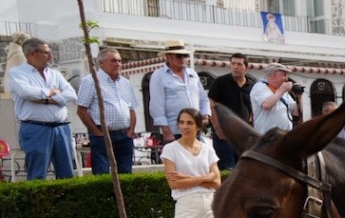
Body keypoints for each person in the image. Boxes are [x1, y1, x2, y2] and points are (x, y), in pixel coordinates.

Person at [8, 38, 78, 180]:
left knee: (66, 172)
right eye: (47, 53)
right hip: (36, 128)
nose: (51, 56)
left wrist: (45, 100)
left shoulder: (55, 74)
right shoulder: (17, 73)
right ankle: (37, 202)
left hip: (62, 127)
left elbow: (71, 95)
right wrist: (52, 92)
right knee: (37, 173)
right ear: (33, 54)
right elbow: (26, 92)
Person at [77, 47, 138, 175]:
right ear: (101, 63)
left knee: (126, 172)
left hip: (124, 134)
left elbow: (131, 109)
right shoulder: (91, 81)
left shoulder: (125, 83)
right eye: (113, 61)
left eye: (120, 61)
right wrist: (95, 131)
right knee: (102, 172)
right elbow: (81, 110)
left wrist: (131, 130)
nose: (118, 64)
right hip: (103, 134)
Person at [149, 40, 210, 144]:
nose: (183, 59)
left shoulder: (192, 74)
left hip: (195, 129)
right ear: (168, 57)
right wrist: (166, 131)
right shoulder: (158, 76)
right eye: (179, 55)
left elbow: (203, 97)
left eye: (185, 55)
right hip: (174, 131)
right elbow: (156, 105)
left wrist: (205, 115)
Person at [207, 53, 254, 170]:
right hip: (224, 135)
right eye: (233, 64)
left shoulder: (252, 85)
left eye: (239, 64)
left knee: (242, 170)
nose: (235, 67)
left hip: (243, 137)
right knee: (226, 170)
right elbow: (212, 105)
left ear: (246, 68)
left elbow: (253, 109)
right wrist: (218, 129)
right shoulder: (220, 82)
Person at [249, 63, 298, 134]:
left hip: (285, 136)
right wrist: (282, 90)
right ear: (274, 75)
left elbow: (295, 112)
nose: (286, 79)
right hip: (268, 138)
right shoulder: (259, 87)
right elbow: (266, 105)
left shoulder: (282, 91)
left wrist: (299, 97)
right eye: (284, 75)